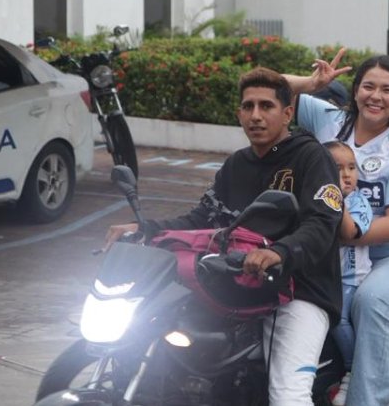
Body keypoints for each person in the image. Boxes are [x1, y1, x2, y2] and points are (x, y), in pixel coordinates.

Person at [105, 67, 342, 405]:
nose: (255, 116)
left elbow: (322, 223)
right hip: (234, 286)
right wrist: (146, 229)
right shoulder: (237, 164)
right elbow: (202, 217)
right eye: (248, 107)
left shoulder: (311, 157)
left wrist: (279, 253)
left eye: (266, 106)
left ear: (287, 113)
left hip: (298, 291)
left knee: (289, 395)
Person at [285, 53, 389, 406]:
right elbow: (269, 88)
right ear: (355, 91)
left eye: (387, 90)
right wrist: (311, 85)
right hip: (331, 250)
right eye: (368, 86)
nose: (376, 97)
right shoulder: (329, 121)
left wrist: (335, 232)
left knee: (372, 301)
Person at [325, 140, 372, 406]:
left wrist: (337, 200)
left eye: (352, 167)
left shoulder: (358, 202)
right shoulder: (315, 199)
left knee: (338, 316)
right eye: (337, 168)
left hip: (351, 280)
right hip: (325, 278)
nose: (347, 174)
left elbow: (349, 232)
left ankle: (354, 371)